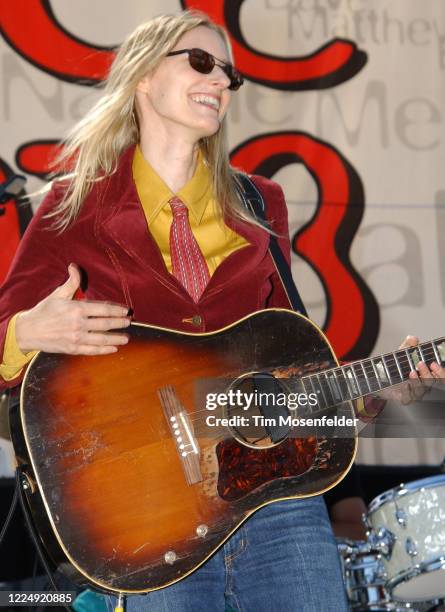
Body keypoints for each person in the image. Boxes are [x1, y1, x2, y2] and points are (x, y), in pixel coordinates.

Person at [0, 10, 443, 612]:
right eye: (201, 62)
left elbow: (287, 373)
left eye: (230, 74)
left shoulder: (262, 202)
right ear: (143, 78)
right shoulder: (72, 202)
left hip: (276, 501)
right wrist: (26, 330)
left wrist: (378, 393)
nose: (221, 82)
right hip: (145, 514)